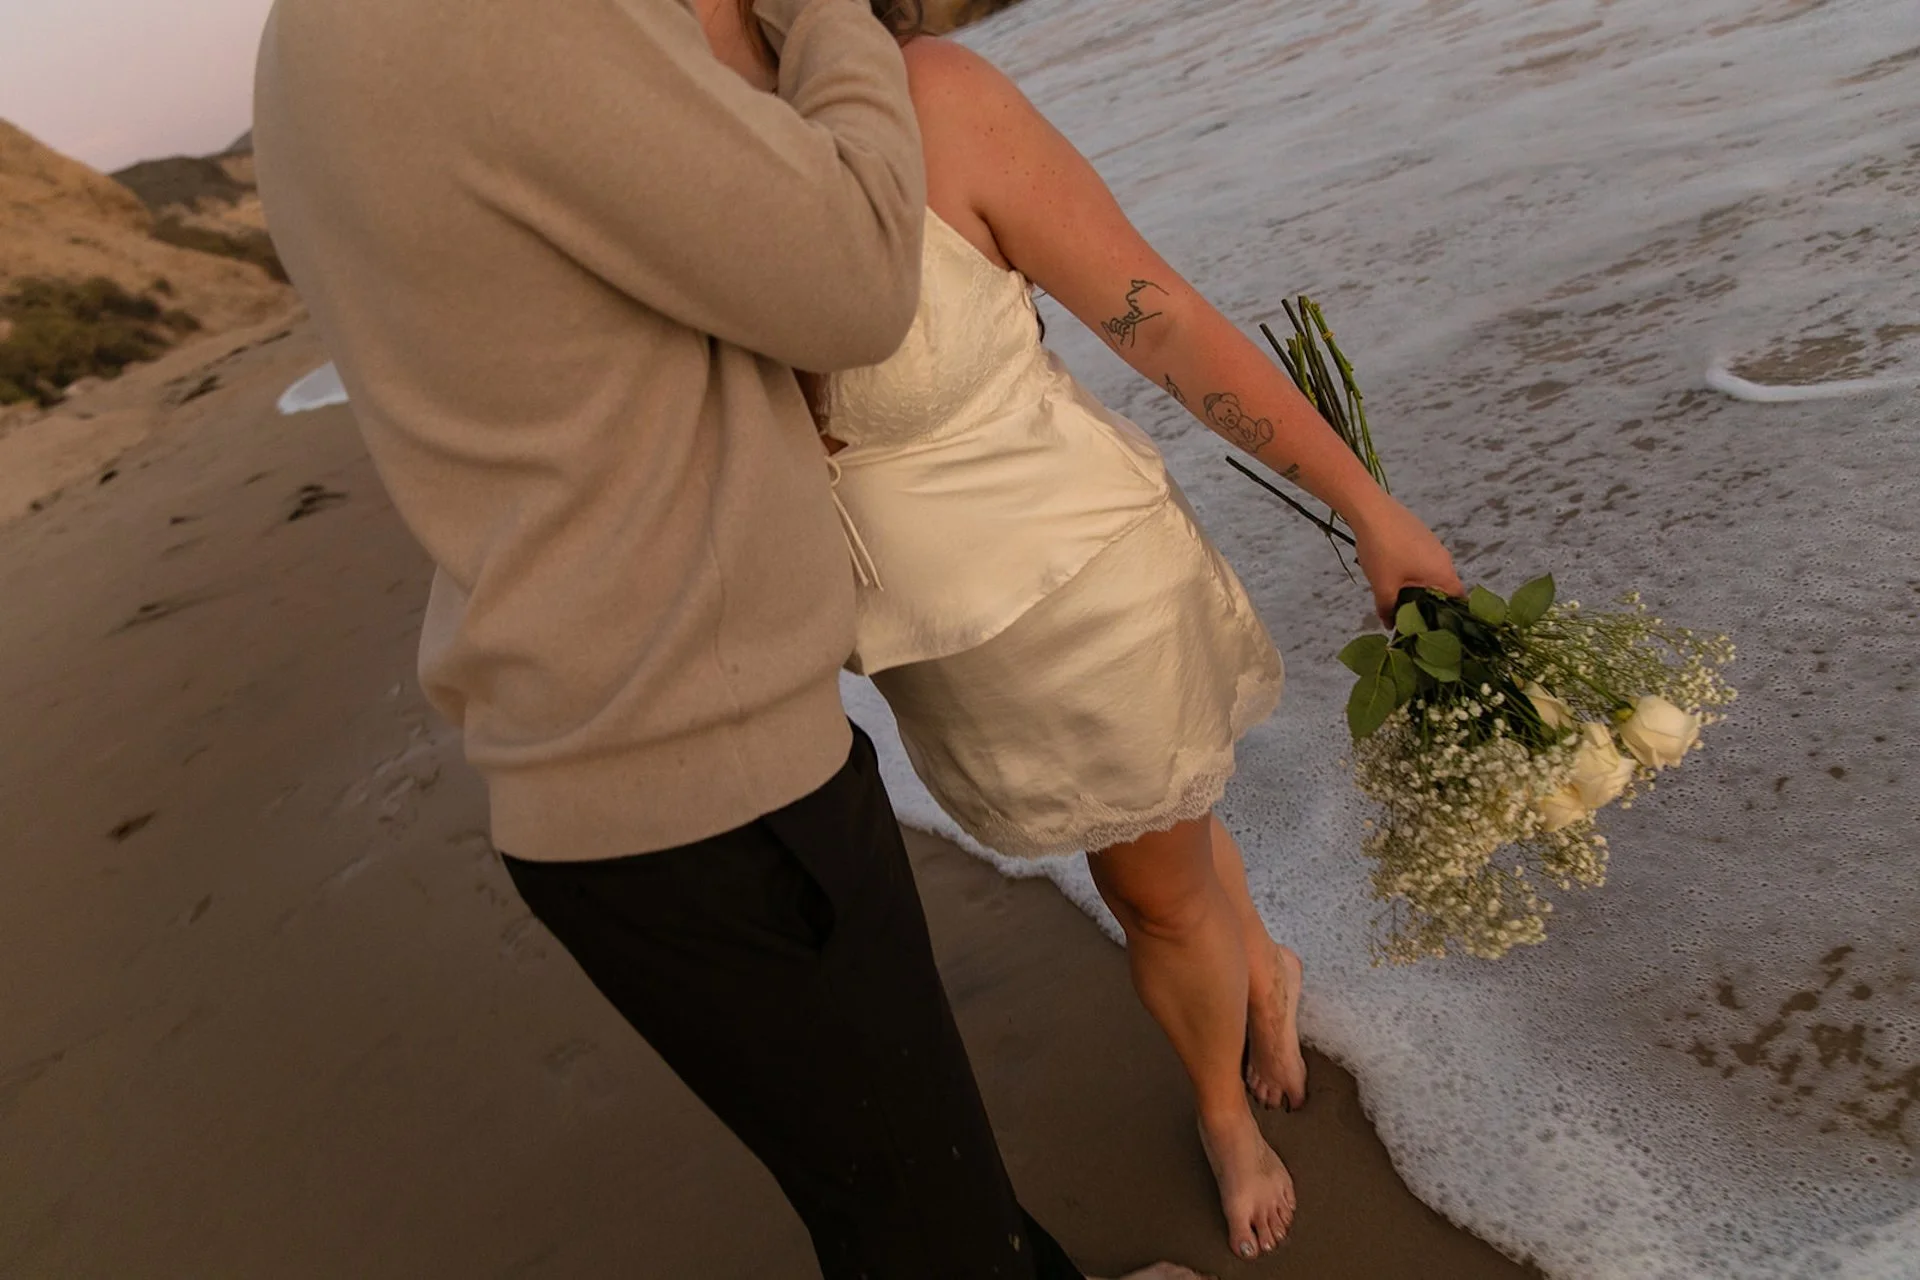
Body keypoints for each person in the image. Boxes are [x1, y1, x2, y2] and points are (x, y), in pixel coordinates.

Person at [253, 0, 1203, 1276]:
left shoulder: (310, 40)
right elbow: (859, 277)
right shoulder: (505, 23)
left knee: (896, 1181)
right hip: (704, 772)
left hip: (589, 754)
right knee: (925, 1229)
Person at [697, 0, 1465, 1262]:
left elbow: (1158, 317)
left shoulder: (935, 97)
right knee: (1158, 825)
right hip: (929, 646)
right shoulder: (663, 164)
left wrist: (1368, 509)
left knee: (1150, 890)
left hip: (1085, 595)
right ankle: (1261, 964)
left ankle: (1223, 1107)